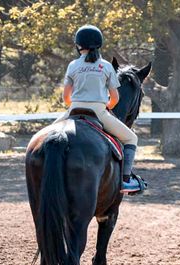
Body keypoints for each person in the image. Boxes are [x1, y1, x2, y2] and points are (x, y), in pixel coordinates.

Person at [59, 24, 141, 193]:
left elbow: (66, 97)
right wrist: (105, 108)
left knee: (45, 136)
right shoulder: (106, 66)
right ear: (99, 44)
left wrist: (75, 106)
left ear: (78, 45)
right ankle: (126, 181)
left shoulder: (73, 65)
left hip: (74, 110)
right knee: (131, 138)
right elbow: (115, 98)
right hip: (99, 112)